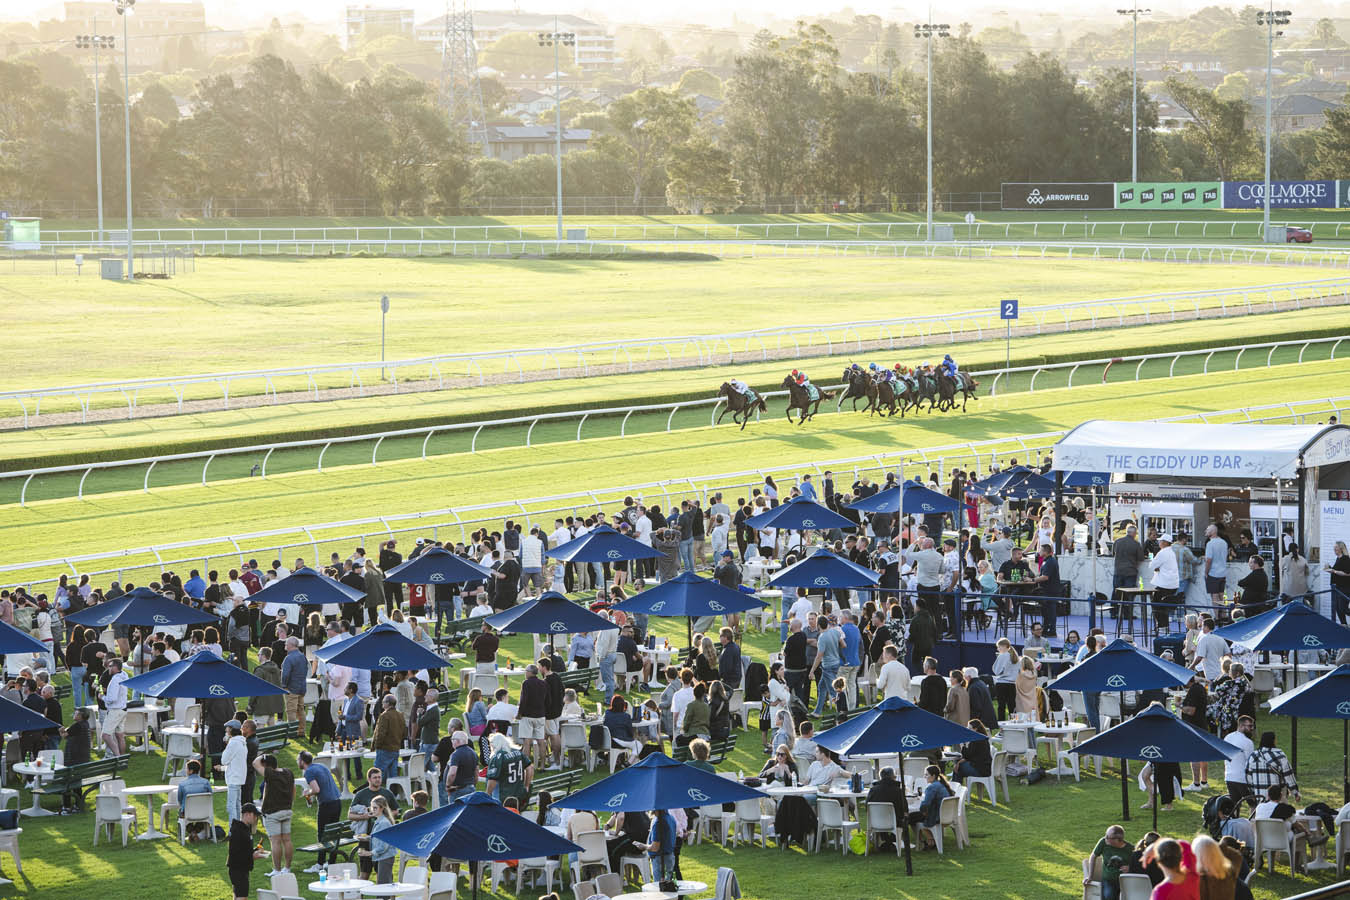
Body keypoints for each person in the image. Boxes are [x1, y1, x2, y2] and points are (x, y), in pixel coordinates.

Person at [299, 750, 343, 874]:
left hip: (327, 805)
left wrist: (307, 792)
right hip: (337, 802)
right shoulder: (321, 766)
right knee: (333, 833)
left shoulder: (308, 772)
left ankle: (319, 864)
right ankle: (331, 862)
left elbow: (316, 789)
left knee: (322, 835)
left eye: (298, 760)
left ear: (302, 761)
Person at [254, 753, 295, 876]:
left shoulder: (271, 774)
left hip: (273, 812)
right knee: (287, 840)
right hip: (287, 810)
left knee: (275, 842)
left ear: (266, 766)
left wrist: (262, 755)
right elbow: (293, 789)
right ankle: (287, 868)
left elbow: (255, 763)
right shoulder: (288, 772)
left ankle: (277, 870)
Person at [228, 802, 268, 900]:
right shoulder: (238, 830)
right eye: (255, 816)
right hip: (238, 868)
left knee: (238, 894)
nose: (256, 819)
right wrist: (252, 856)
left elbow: (244, 849)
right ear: (247, 814)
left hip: (241, 868)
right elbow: (235, 853)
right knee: (242, 896)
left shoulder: (245, 829)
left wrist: (256, 850)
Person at [908, 766, 954, 849]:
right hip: (946, 815)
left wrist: (922, 809)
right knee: (916, 816)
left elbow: (925, 805)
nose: (924, 777)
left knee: (910, 817)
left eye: (926, 775)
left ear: (933, 776)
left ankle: (926, 841)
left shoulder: (932, 787)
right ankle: (930, 840)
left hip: (935, 816)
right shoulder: (941, 785)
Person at [865, 767, 909, 849]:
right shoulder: (898, 790)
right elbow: (904, 809)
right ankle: (891, 840)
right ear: (893, 777)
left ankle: (886, 841)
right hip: (894, 822)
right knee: (906, 818)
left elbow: (867, 807)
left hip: (875, 822)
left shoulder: (873, 790)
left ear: (880, 777)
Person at [485, 732, 533, 806]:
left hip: (504, 796)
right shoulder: (518, 752)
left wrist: (487, 795)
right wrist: (526, 785)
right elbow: (530, 768)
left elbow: (492, 780)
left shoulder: (498, 757)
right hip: (519, 793)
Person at [1085, 825, 1132, 900]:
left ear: (1117, 840)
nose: (1105, 838)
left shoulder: (1130, 849)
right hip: (1108, 880)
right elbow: (1093, 856)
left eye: (1108, 837)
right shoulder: (1103, 842)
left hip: (1125, 881)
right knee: (1109, 896)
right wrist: (1090, 876)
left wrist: (1130, 868)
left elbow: (1138, 864)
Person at [1245, 731, 1297, 800]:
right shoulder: (1279, 755)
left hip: (1260, 796)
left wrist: (1252, 792)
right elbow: (1288, 775)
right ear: (1273, 741)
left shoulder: (1253, 756)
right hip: (1278, 796)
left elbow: (1248, 777)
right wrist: (1295, 792)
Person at [640, 806, 678, 884]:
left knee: (659, 888)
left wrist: (643, 846)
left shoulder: (658, 822)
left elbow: (655, 847)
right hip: (670, 856)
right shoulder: (671, 818)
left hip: (660, 858)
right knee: (670, 886)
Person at [367, 795, 399, 884]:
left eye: (375, 808)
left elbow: (384, 846)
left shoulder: (384, 823)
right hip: (383, 857)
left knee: (383, 885)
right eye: (371, 807)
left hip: (385, 857)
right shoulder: (379, 821)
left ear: (382, 808)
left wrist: (369, 853)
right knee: (387, 883)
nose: (372, 810)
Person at [1222, 716, 1255, 801]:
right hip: (1242, 778)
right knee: (1253, 804)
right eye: (1250, 726)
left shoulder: (1228, 737)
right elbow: (1251, 762)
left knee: (1235, 805)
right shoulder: (1247, 742)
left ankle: (1234, 815)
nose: (1252, 728)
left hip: (1229, 777)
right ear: (1241, 726)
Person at [953, 720, 992, 784]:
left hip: (981, 770)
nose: (967, 730)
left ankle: (955, 790)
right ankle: (955, 789)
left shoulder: (976, 739)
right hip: (984, 768)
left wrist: (962, 745)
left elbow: (967, 755)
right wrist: (960, 762)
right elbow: (971, 755)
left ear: (975, 729)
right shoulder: (981, 737)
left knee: (958, 769)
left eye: (969, 728)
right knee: (958, 766)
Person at [1193, 619, 1228, 683]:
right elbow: (1228, 654)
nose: (1201, 628)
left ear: (1206, 627)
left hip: (1211, 674)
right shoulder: (1221, 638)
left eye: (1202, 626)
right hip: (1222, 673)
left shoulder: (1203, 639)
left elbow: (1200, 657)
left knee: (1211, 692)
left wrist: (1191, 666)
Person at [1324, 540, 1350, 625]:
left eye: (1336, 548)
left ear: (1341, 549)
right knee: (1338, 609)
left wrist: (1333, 571)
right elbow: (1338, 570)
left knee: (1343, 608)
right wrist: (1330, 569)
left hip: (1344, 587)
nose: (1334, 549)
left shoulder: (1346, 559)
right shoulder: (1338, 559)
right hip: (1337, 587)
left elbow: (1347, 573)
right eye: (1334, 548)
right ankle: (1344, 625)